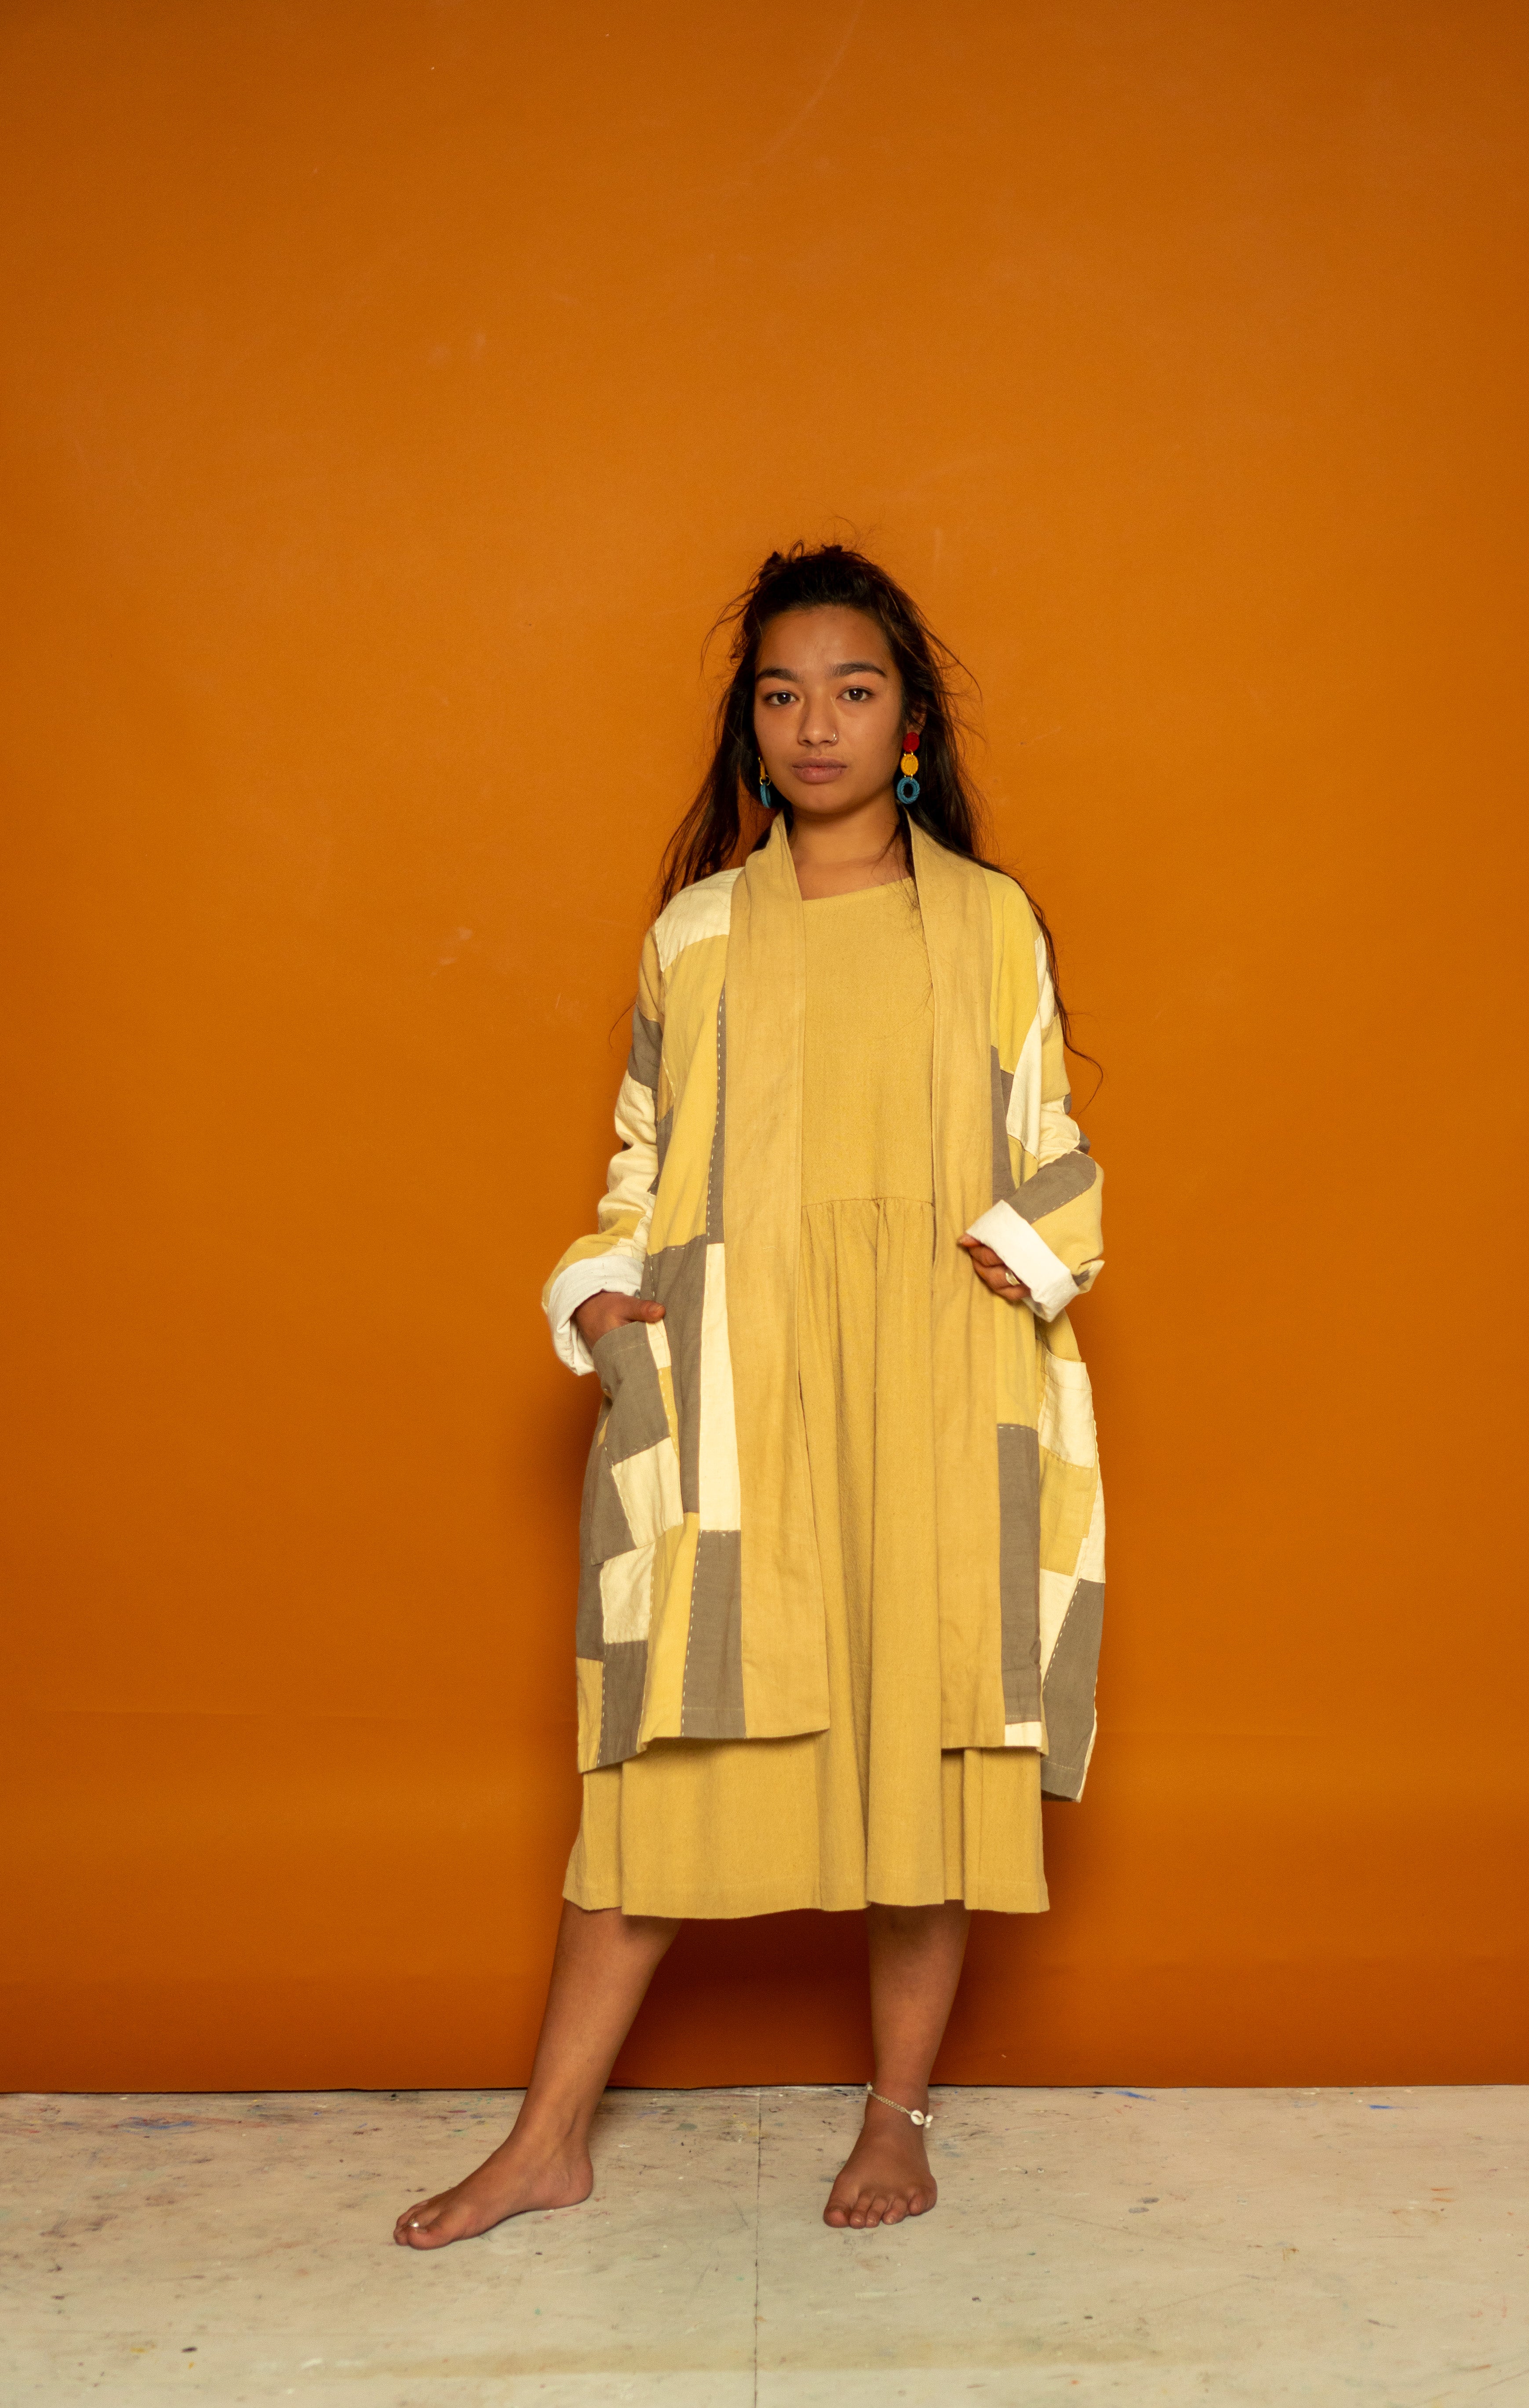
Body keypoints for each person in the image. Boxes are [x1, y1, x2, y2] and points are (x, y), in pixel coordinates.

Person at [395, 543, 1106, 2247]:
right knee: (665, 1751)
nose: (816, 724)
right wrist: (596, 1282)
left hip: (933, 1371)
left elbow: (1055, 1148)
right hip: (738, 1377)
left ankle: (895, 2116)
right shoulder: (698, 932)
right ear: (750, 726)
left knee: (926, 1740)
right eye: (782, 695)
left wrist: (1028, 1246)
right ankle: (547, 2138)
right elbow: (640, 1163)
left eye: (853, 690)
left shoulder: (988, 920)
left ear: (908, 721)